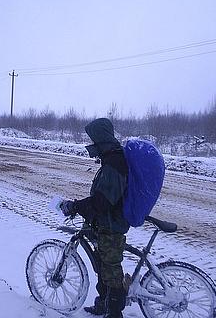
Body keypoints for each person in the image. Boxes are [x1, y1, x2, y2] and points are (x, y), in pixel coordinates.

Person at [59, 118, 128, 318]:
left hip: (112, 224)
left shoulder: (115, 164)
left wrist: (76, 206)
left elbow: (102, 202)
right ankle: (103, 304)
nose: (91, 143)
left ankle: (114, 313)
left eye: (93, 138)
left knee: (111, 270)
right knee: (103, 265)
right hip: (105, 222)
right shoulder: (111, 158)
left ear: (101, 138)